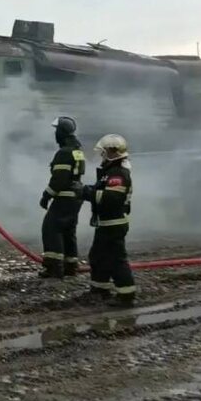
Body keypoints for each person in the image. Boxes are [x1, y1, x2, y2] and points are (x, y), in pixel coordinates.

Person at [80, 134, 136, 307]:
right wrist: (86, 189)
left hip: (114, 224)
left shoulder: (118, 173)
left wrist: (86, 193)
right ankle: (100, 289)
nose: (102, 155)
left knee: (116, 260)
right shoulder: (110, 172)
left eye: (104, 152)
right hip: (106, 223)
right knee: (97, 256)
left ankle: (126, 296)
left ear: (113, 153)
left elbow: (112, 198)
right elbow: (101, 189)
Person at [39, 116, 86, 278]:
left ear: (62, 132)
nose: (55, 134)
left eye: (56, 131)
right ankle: (70, 266)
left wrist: (46, 195)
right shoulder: (77, 151)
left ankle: (54, 267)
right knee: (68, 230)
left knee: (52, 227)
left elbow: (59, 178)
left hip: (65, 196)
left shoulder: (64, 153)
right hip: (76, 197)